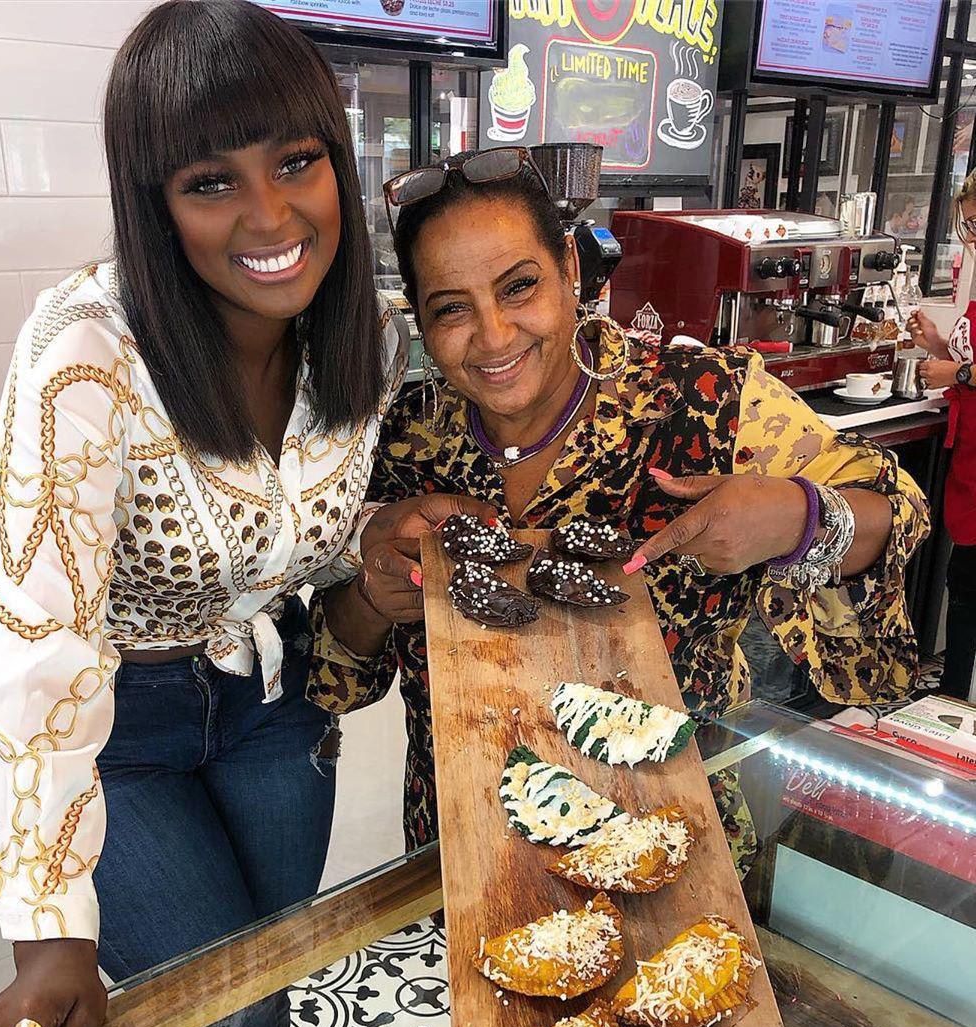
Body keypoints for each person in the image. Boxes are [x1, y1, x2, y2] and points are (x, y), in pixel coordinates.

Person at [0, 4, 479, 1027]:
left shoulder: (357, 339)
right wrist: (49, 937)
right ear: (155, 203)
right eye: (209, 180)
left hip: (276, 710)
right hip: (122, 730)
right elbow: (37, 645)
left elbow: (290, 545)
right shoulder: (86, 357)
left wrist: (375, 536)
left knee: (261, 986)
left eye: (296, 162)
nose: (271, 214)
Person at [308, 148, 930, 861]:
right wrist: (369, 593)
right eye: (452, 308)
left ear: (572, 270)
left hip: (673, 839)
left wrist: (799, 517)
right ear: (417, 315)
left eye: (518, 287)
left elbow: (897, 511)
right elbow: (336, 677)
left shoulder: (706, 401)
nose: (493, 335)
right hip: (467, 849)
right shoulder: (402, 442)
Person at [908, 168, 976, 700]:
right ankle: (950, 701)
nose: (971, 238)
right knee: (965, 584)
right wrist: (937, 347)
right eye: (968, 226)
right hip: (968, 456)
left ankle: (954, 705)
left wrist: (956, 375)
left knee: (971, 588)